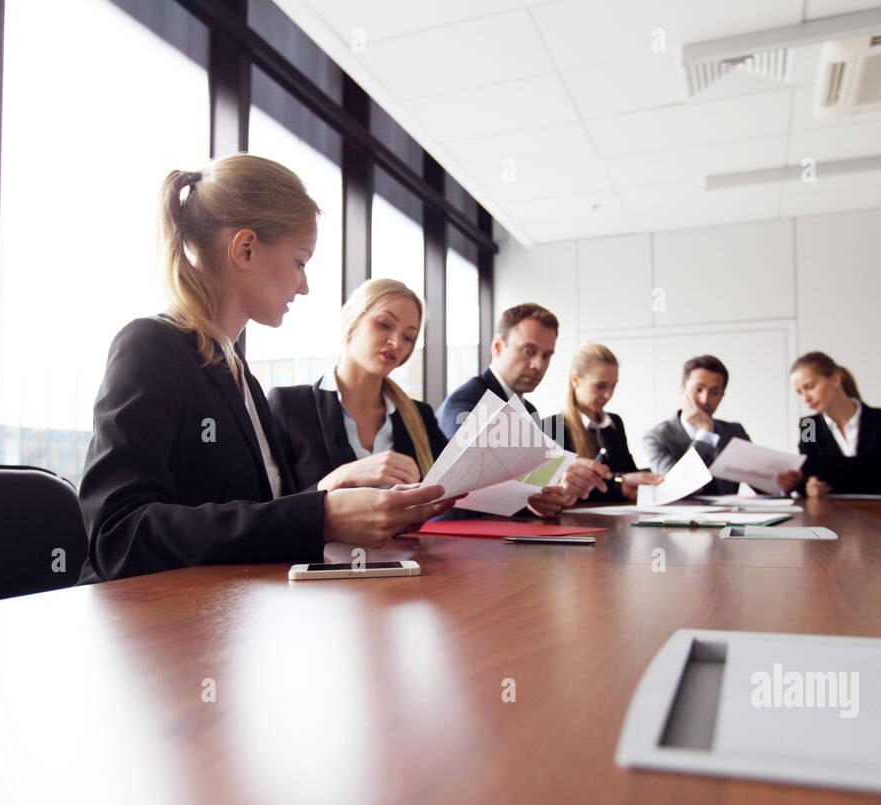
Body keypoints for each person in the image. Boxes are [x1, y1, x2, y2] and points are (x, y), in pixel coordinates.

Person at [78, 155, 448, 583]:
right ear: (245, 249)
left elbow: (265, 517)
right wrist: (321, 514)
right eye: (299, 261)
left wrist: (343, 510)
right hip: (151, 627)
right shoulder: (151, 345)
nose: (304, 285)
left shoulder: (239, 374)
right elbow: (117, 534)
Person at [269, 278, 447, 493]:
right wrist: (342, 477)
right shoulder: (289, 407)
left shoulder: (420, 416)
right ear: (353, 321)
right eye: (384, 324)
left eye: (408, 337)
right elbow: (274, 511)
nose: (397, 343)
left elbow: (454, 493)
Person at [436, 302, 608, 516]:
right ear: (498, 346)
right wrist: (557, 472)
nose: (538, 365)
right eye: (528, 351)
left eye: (547, 355)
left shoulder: (529, 409)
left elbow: (526, 490)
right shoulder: (465, 402)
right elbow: (486, 468)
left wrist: (549, 497)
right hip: (456, 538)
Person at [786, 351, 881, 499]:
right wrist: (807, 486)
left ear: (835, 379)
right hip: (830, 517)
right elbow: (807, 474)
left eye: (810, 387)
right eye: (800, 392)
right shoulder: (809, 425)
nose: (805, 398)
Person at [643, 355, 798, 496]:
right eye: (698, 389)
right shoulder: (657, 437)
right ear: (682, 390)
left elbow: (761, 485)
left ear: (722, 396)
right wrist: (705, 434)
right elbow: (678, 485)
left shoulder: (734, 432)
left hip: (730, 519)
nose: (705, 399)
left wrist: (782, 485)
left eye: (715, 392)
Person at [539, 344, 661, 502]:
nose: (608, 395)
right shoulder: (551, 428)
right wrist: (619, 484)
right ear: (575, 380)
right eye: (600, 386)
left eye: (613, 386)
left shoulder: (615, 423)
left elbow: (628, 471)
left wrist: (647, 478)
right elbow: (562, 488)